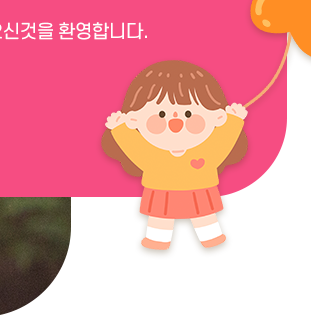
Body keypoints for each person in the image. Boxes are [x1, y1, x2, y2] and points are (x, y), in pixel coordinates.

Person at [103, 60, 247, 259]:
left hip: (195, 189)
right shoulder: (153, 157)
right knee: (160, 221)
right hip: (165, 192)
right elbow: (135, 148)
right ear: (135, 119)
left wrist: (233, 121)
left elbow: (223, 143)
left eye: (189, 113)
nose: (175, 122)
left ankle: (211, 239)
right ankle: (158, 242)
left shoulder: (205, 152)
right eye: (161, 114)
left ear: (216, 117)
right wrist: (120, 130)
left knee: (204, 218)